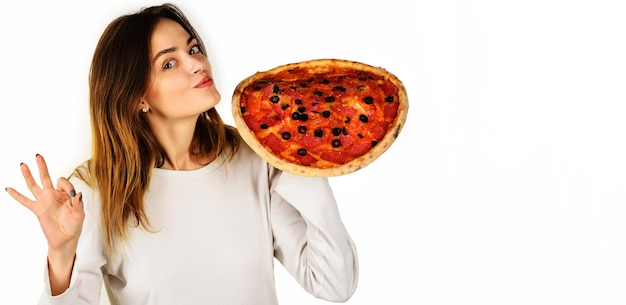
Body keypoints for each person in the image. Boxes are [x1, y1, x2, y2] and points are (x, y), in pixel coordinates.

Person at [5, 3, 358, 304]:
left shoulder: (254, 157)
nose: (197, 64)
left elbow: (333, 283)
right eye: (168, 64)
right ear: (137, 97)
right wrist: (62, 252)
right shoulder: (96, 189)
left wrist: (305, 156)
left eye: (192, 49)